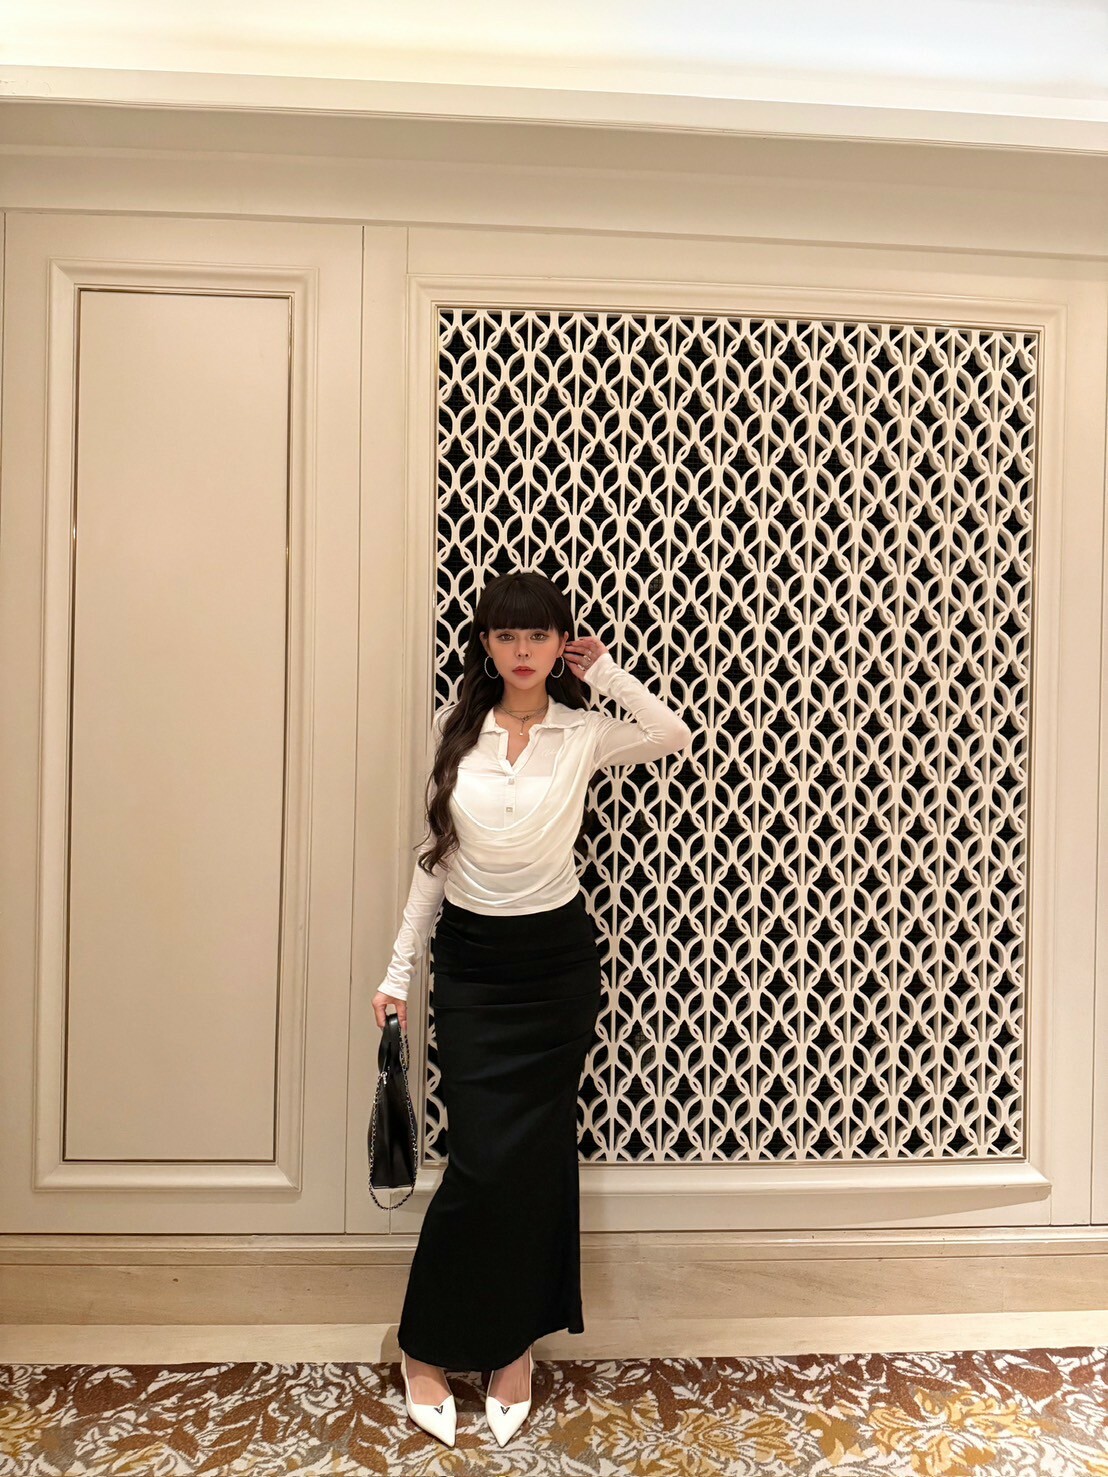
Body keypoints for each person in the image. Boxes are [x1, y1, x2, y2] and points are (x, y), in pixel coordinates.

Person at [371, 570, 693, 1447]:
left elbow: (673, 733)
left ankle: (513, 1346)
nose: (523, 650)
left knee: (534, 1161)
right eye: (507, 635)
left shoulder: (583, 733)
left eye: (539, 635)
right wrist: (398, 972)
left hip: (555, 968)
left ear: (559, 644)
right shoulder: (454, 728)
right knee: (482, 1161)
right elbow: (434, 856)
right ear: (485, 644)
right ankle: (424, 1345)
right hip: (473, 970)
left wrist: (605, 672)